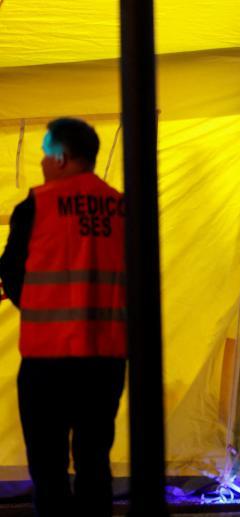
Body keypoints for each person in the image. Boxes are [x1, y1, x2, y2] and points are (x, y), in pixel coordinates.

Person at [0, 118, 126, 516]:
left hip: (47, 359)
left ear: (60, 157)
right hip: (105, 358)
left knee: (49, 468)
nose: (41, 162)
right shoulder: (122, 208)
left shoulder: (35, 206)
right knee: (94, 461)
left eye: (44, 153)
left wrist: (40, 307)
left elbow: (12, 273)